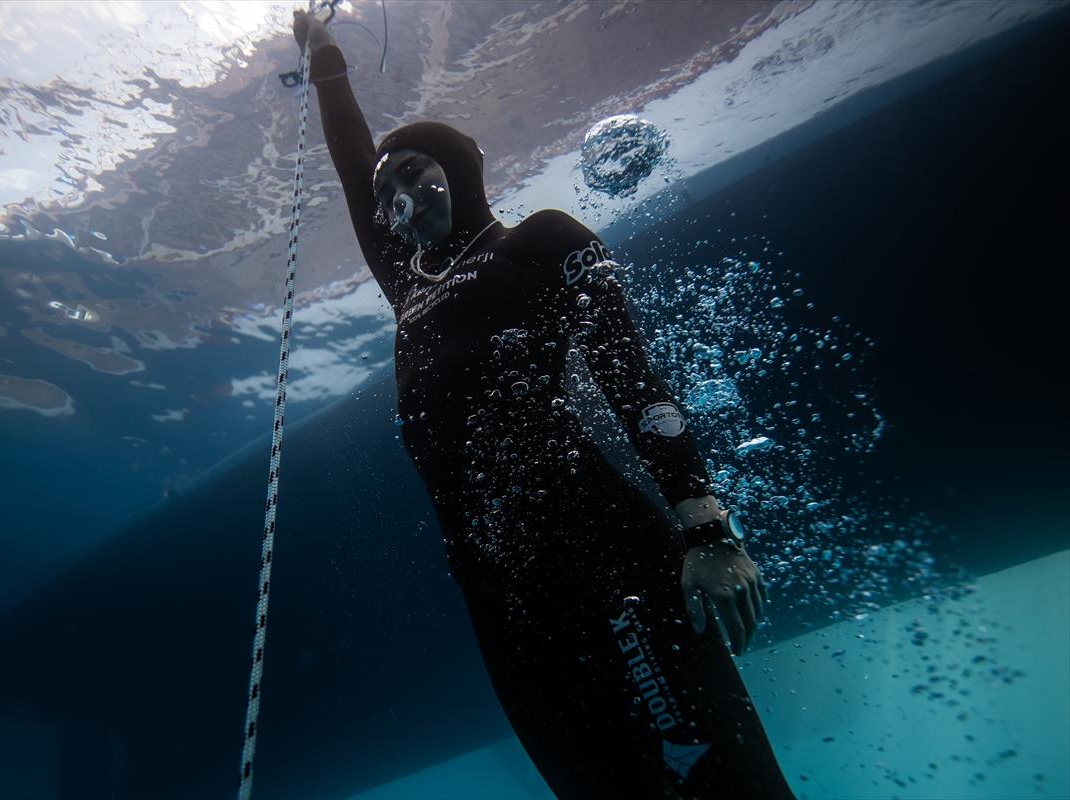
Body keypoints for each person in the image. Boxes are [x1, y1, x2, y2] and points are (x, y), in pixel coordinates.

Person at [293, 10, 796, 800]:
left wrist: (705, 528)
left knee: (717, 782)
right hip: (495, 592)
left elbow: (633, 378)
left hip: (598, 546)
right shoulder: (407, 291)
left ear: (459, 172)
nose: (396, 194)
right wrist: (324, 60)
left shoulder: (535, 242)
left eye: (417, 171)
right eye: (387, 189)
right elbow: (354, 164)